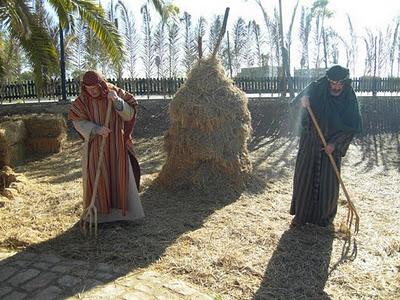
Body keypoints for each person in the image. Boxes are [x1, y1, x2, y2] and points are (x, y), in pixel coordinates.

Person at [289, 65, 362, 227]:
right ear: (328, 81)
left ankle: (323, 219)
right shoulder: (316, 88)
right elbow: (294, 105)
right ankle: (301, 216)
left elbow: (352, 127)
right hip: (310, 142)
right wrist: (302, 103)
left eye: (339, 84)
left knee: (328, 184)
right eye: (333, 83)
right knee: (304, 179)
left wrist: (335, 144)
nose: (336, 87)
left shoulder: (349, 97)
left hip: (332, 146)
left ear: (345, 83)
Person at [68, 70, 144, 223]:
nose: (92, 92)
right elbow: (77, 121)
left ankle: (124, 214)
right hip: (97, 145)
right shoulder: (82, 100)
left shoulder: (114, 91)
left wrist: (117, 101)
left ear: (101, 84)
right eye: (89, 89)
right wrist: (96, 129)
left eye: (95, 88)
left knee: (120, 174)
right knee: (98, 174)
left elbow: (130, 114)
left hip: (118, 144)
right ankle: (101, 216)